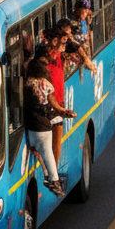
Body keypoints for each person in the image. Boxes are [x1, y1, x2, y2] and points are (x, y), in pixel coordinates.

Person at [24, 52, 75, 196]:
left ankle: (48, 177)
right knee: (47, 153)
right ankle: (54, 181)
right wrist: (62, 110)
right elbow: (51, 100)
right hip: (42, 127)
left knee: (39, 152)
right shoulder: (44, 84)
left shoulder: (26, 84)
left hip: (30, 128)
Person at [45, 29, 68, 170]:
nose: (64, 46)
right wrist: (60, 108)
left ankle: (54, 169)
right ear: (54, 42)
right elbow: (48, 92)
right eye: (63, 43)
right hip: (49, 106)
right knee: (48, 141)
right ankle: (52, 172)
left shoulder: (58, 56)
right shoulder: (45, 59)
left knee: (56, 139)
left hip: (58, 103)